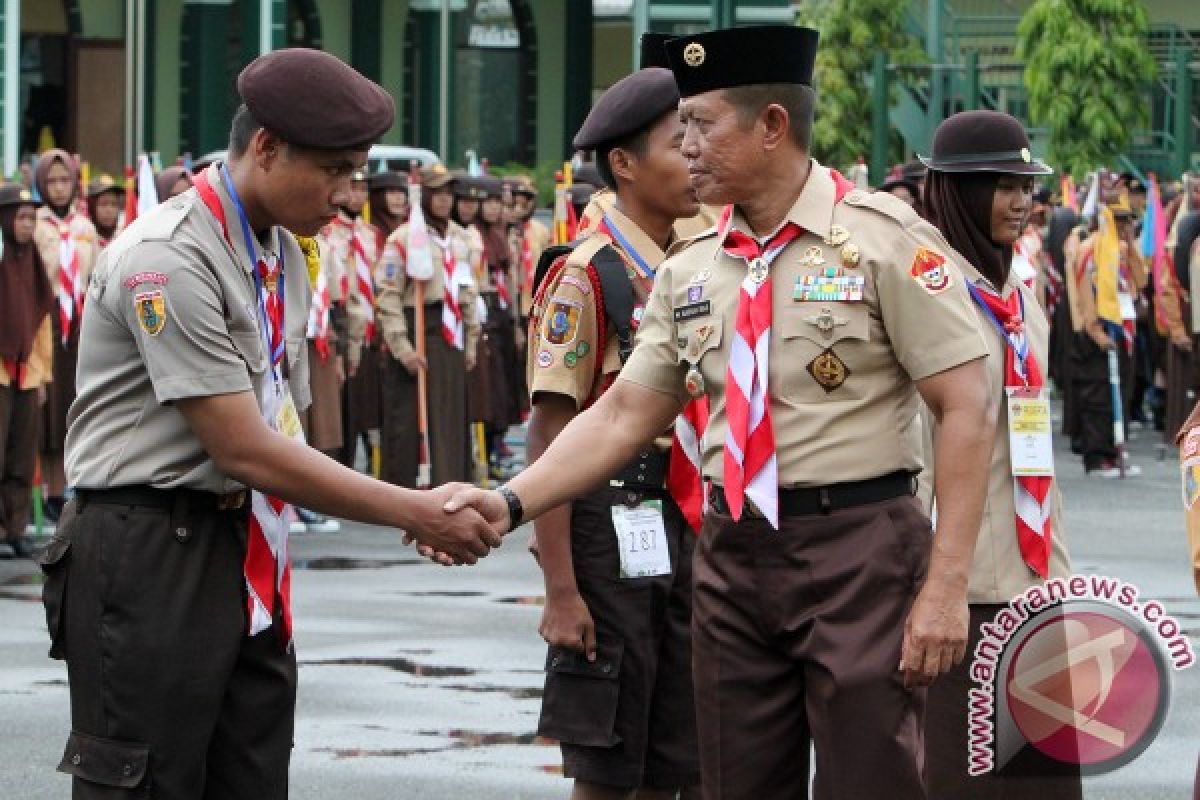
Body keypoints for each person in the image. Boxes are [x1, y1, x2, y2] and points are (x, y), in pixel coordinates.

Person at [437, 25, 996, 799]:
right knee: (728, 780)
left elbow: (967, 404)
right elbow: (625, 410)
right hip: (732, 555)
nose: (687, 144)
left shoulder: (882, 242)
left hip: (859, 550)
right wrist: (508, 501)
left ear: (771, 125)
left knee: (871, 779)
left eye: (700, 124)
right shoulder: (691, 268)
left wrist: (946, 585)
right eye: (681, 128)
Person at [40, 49, 500, 800]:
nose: (349, 196)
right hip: (150, 546)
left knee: (250, 776)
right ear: (266, 148)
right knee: (147, 782)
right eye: (336, 172)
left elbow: (281, 419)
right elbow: (244, 445)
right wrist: (412, 509)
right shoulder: (171, 256)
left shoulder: (279, 249)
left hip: (244, 546)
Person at [529, 66, 702, 800]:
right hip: (609, 521)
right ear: (625, 165)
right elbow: (550, 436)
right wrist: (561, 590)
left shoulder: (686, 266)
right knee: (610, 753)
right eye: (676, 142)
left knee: (679, 745)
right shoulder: (588, 274)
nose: (695, 156)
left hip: (681, 516)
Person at [918, 110, 1081, 799]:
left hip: (1036, 573)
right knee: (963, 777)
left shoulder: (1018, 289)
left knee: (1041, 779)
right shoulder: (923, 290)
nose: (1022, 202)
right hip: (965, 583)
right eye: (1001, 185)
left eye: (1026, 185)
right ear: (957, 192)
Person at [377, 165, 480, 487]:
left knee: (450, 417)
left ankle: (450, 482)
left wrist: (472, 340)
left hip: (451, 335)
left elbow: (468, 292)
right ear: (424, 196)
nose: (444, 200)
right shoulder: (405, 238)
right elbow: (388, 296)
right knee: (413, 419)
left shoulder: (460, 239)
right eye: (438, 192)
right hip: (420, 330)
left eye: (449, 193)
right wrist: (402, 349)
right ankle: (413, 488)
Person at [33, 148, 99, 521]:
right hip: (49, 319)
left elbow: (95, 277)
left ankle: (78, 483)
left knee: (77, 402)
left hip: (81, 323)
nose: (59, 189)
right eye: (51, 181)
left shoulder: (85, 228)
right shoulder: (37, 225)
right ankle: (52, 490)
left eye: (64, 181)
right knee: (50, 411)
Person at [1069, 192, 1147, 477]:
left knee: (1122, 393)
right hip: (1098, 333)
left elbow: (1141, 282)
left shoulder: (1124, 250)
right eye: (1119, 220)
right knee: (1098, 398)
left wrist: (1133, 249)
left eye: (1128, 220)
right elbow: (1084, 293)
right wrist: (1096, 331)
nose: (1125, 225)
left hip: (1124, 331)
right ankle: (1097, 457)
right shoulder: (1091, 249)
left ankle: (1117, 453)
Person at [0, 185, 54, 559]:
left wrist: (42, 376)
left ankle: (15, 530)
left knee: (21, 456)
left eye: (31, 218)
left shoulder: (32, 263)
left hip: (27, 372)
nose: (27, 225)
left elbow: (41, 322)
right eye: (20, 217)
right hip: (0, 372)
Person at [85, 174, 125, 248]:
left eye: (114, 204)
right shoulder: (83, 240)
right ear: (91, 207)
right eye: (103, 204)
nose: (109, 210)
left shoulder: (123, 239)